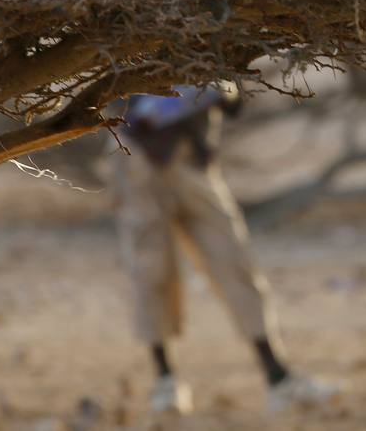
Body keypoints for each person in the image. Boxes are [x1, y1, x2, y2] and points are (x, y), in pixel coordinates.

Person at [111, 83, 335, 416]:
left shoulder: (208, 34)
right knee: (151, 269)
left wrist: (220, 88)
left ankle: (278, 378)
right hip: (139, 157)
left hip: (193, 159)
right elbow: (114, 90)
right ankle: (165, 382)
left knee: (234, 260)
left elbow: (232, 101)